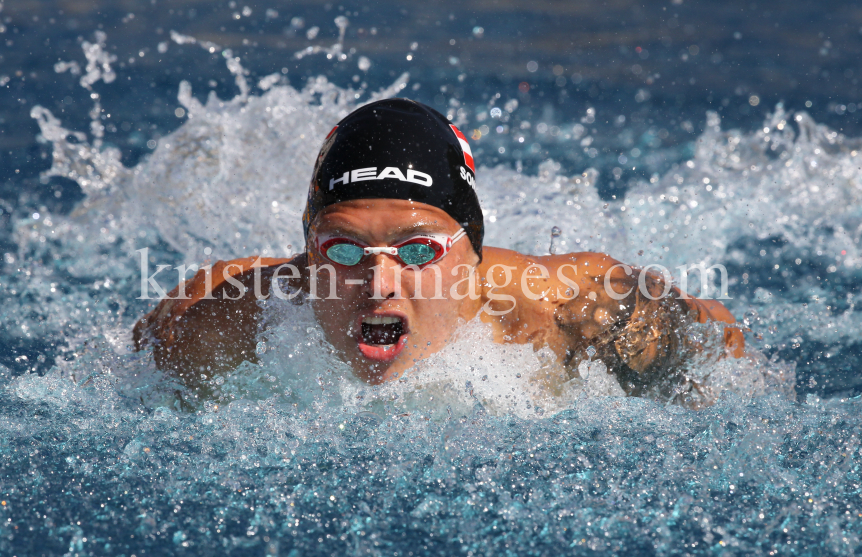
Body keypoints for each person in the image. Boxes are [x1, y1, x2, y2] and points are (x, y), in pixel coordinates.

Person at [133, 98, 744, 406]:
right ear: (307, 252)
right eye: (343, 251)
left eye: (417, 250)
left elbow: (718, 338)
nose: (379, 285)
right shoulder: (215, 318)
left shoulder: (568, 307)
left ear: (470, 253)